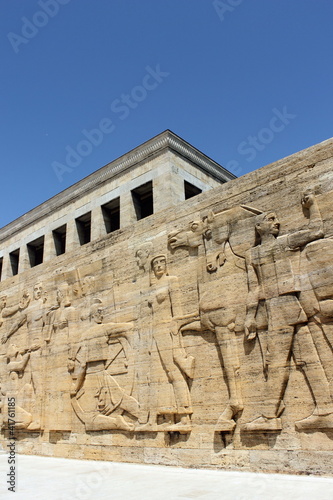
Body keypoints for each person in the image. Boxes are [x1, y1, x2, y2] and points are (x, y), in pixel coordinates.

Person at [244, 192, 333, 431]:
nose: (277, 223)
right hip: (275, 308)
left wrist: (312, 206)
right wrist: (250, 317)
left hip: (287, 306)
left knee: (276, 361)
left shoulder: (285, 242)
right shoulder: (252, 255)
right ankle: (325, 409)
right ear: (258, 226)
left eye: (277, 219)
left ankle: (269, 415)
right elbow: (255, 289)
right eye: (271, 219)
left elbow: (317, 230)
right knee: (307, 359)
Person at [145, 254, 194, 432]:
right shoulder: (152, 288)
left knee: (174, 371)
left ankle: (185, 416)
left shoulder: (172, 281)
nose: (158, 265)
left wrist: (176, 330)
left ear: (166, 264)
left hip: (167, 329)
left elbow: (178, 310)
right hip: (155, 332)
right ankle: (167, 415)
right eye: (155, 263)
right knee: (161, 374)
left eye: (161, 262)